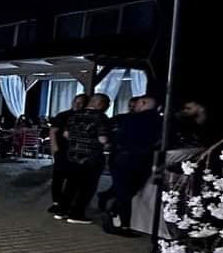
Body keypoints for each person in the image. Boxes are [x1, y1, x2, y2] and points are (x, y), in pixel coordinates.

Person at [103, 95, 161, 236]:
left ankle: (123, 223)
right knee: (131, 190)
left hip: (124, 157)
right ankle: (116, 213)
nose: (135, 107)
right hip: (145, 159)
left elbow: (118, 137)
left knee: (123, 191)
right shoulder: (160, 121)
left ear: (143, 102)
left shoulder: (129, 119)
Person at [56, 93, 112, 224]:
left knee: (70, 185)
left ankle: (62, 210)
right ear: (100, 104)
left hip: (73, 155)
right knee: (86, 187)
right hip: (91, 158)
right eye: (107, 104)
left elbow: (66, 134)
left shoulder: (74, 115)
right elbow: (102, 139)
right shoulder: (100, 117)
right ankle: (77, 214)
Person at [48, 94, 87, 214]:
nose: (77, 105)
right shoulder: (63, 115)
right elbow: (53, 132)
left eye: (80, 103)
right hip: (62, 150)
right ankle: (56, 202)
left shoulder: (84, 116)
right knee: (58, 178)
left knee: (72, 179)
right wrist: (54, 148)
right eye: (76, 101)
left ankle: (66, 203)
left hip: (76, 153)